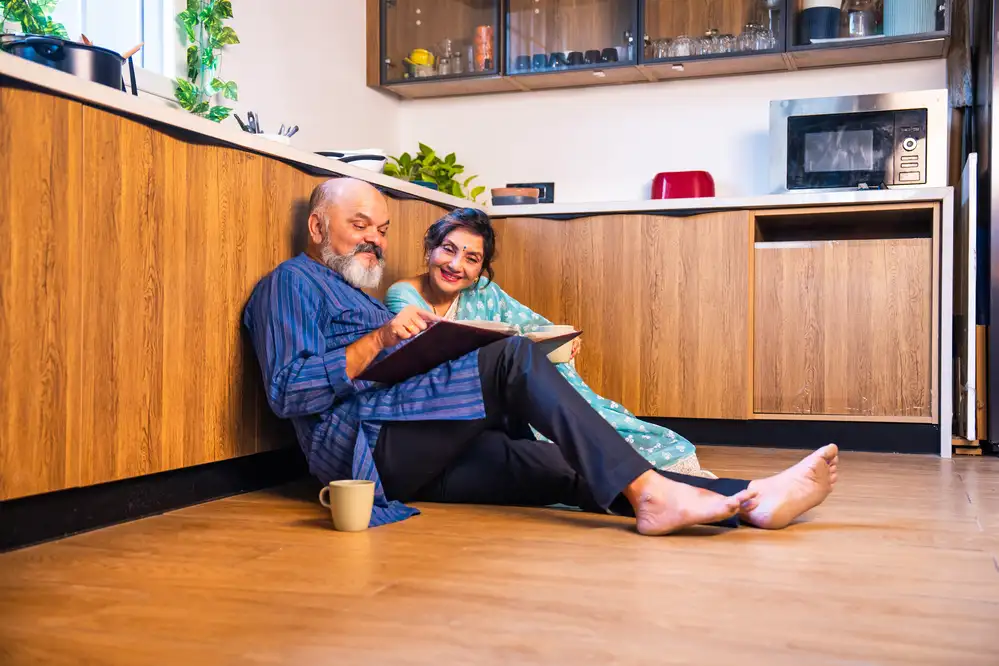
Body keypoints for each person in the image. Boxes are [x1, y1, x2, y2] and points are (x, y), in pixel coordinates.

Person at [242, 177, 839, 535]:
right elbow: (289, 391)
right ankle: (660, 498)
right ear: (319, 226)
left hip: (419, 445)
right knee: (510, 356)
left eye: (383, 227)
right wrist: (380, 341)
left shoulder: (364, 296)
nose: (375, 237)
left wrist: (423, 346)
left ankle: (751, 499)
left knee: (563, 466)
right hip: (362, 451)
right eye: (359, 225)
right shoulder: (290, 283)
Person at [384, 208, 713, 478]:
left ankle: (648, 473)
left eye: (472, 258)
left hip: (501, 392)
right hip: (451, 403)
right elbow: (427, 358)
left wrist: (559, 341)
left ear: (481, 267)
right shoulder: (403, 295)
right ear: (431, 247)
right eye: (449, 249)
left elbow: (536, 326)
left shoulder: (482, 290)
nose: (457, 266)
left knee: (573, 397)